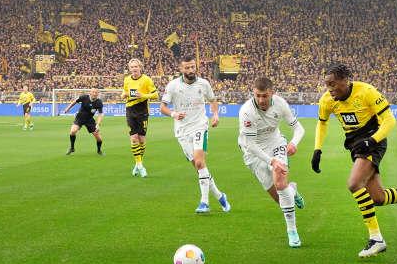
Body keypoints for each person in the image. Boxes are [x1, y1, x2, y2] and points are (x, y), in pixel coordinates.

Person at [311, 63, 397, 258]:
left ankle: (376, 239)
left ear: (345, 81)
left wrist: (372, 140)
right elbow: (322, 124)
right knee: (378, 198)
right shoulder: (327, 100)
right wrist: (317, 149)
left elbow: (389, 120)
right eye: (327, 85)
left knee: (354, 183)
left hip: (374, 139)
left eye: (333, 84)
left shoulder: (366, 91)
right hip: (356, 145)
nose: (329, 89)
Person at [238, 76, 307, 248]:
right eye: (257, 95)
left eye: (265, 96)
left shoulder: (280, 104)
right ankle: (293, 191)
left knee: (280, 183)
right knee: (280, 198)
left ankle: (292, 231)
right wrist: (271, 161)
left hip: (275, 143)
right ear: (253, 93)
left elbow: (299, 129)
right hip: (253, 152)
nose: (261, 100)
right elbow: (251, 145)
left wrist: (293, 143)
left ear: (272, 93)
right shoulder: (246, 111)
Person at [160, 56, 231, 214]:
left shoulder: (203, 83)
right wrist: (173, 114)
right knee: (200, 168)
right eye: (187, 67)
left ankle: (204, 202)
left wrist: (215, 115)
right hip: (182, 131)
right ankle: (220, 196)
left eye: (193, 67)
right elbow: (162, 107)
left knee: (199, 163)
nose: (191, 70)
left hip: (199, 126)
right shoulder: (173, 85)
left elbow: (213, 100)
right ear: (181, 69)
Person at [123, 58, 158, 178]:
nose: (134, 69)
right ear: (129, 68)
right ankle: (140, 165)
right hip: (130, 110)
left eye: (136, 66)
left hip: (142, 111)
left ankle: (138, 163)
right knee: (134, 138)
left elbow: (155, 95)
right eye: (132, 67)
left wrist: (143, 95)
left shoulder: (146, 79)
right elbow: (124, 92)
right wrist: (124, 94)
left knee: (142, 139)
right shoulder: (127, 79)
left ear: (140, 67)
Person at [62, 88, 105, 155]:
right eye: (93, 92)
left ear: (98, 94)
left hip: (89, 120)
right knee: (73, 131)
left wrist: (98, 124)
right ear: (90, 93)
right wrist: (67, 108)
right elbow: (75, 101)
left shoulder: (99, 102)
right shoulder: (84, 97)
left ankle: (99, 150)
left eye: (96, 92)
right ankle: (72, 148)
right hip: (80, 118)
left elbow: (100, 114)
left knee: (99, 138)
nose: (94, 94)